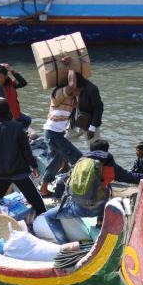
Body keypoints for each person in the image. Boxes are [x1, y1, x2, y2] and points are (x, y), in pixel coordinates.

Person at [38, 139, 143, 244]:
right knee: (107, 187)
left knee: (49, 216)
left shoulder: (81, 162)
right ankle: (100, 222)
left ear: (91, 150)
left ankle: (63, 244)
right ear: (106, 151)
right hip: (100, 208)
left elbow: (61, 182)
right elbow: (130, 177)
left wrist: (59, 199)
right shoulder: (108, 165)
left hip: (77, 209)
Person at [0, 98, 46, 218]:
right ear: (8, 110)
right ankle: (44, 219)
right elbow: (26, 150)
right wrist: (34, 166)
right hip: (18, 171)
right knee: (35, 199)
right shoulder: (18, 127)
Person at [39, 68, 85, 196]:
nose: (79, 91)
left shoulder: (71, 99)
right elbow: (71, 85)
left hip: (56, 133)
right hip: (52, 133)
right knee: (78, 157)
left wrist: (78, 94)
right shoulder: (59, 93)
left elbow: (79, 105)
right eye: (78, 89)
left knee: (55, 161)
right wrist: (71, 66)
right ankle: (76, 187)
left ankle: (44, 188)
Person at [0, 63, 31, 130]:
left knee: (27, 120)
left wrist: (12, 70)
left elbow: (23, 83)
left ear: (6, 76)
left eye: (0, 77)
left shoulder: (11, 84)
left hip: (12, 115)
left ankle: (22, 132)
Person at [67, 74, 104, 141]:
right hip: (75, 121)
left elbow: (98, 108)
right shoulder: (70, 87)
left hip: (90, 123)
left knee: (95, 148)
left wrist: (92, 127)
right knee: (62, 142)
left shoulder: (92, 89)